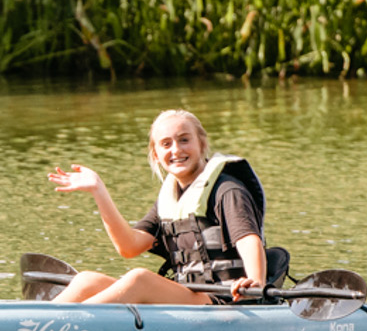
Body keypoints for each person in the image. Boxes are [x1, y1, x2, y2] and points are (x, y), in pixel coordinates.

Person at [45, 108, 270, 305]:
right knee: (87, 280)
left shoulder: (227, 189)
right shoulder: (172, 199)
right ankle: (37, 321)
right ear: (156, 154)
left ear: (201, 143)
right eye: (166, 144)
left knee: (139, 280)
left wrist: (256, 283)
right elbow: (129, 247)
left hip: (227, 299)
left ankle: (64, 326)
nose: (176, 150)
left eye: (184, 140)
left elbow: (248, 239)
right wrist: (98, 190)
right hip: (188, 295)